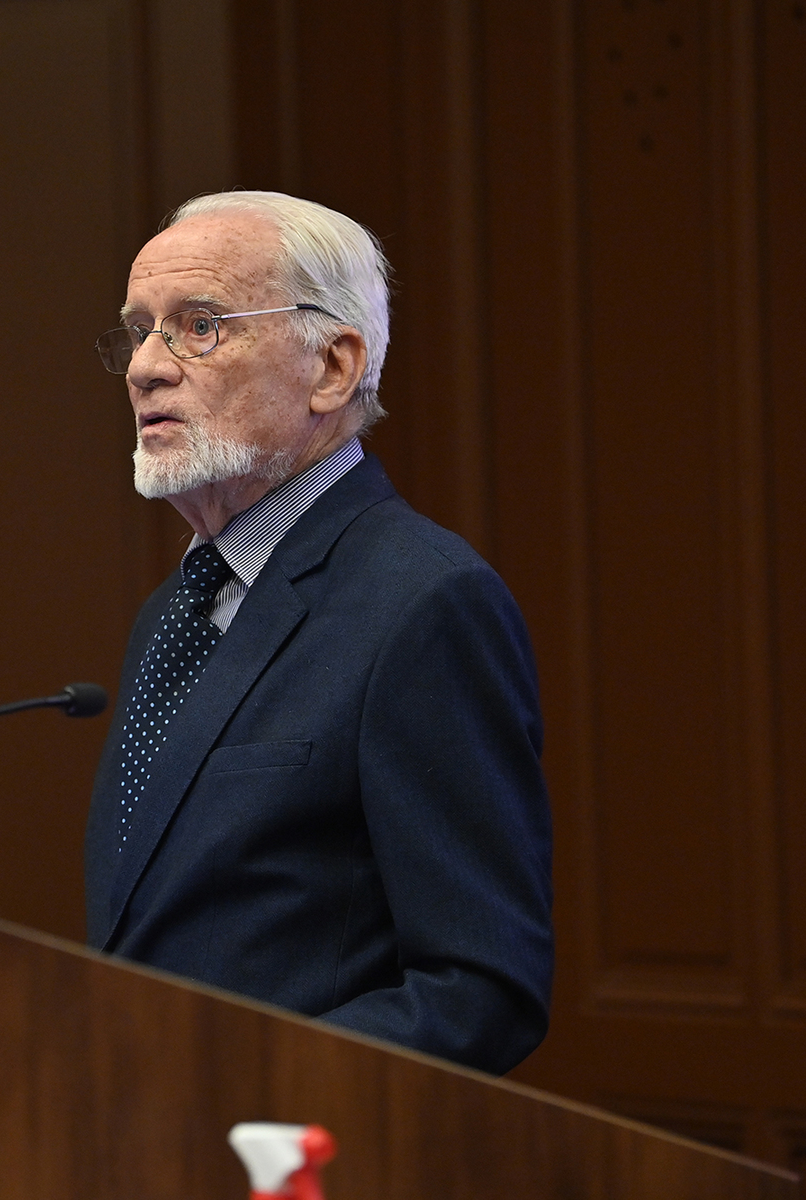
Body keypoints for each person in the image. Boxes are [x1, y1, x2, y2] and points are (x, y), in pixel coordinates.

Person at [83, 190, 552, 1074]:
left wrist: (240, 1090)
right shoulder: (172, 614)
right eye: (139, 331)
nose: (144, 367)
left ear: (333, 368)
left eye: (199, 326)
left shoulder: (424, 602)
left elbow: (479, 990)